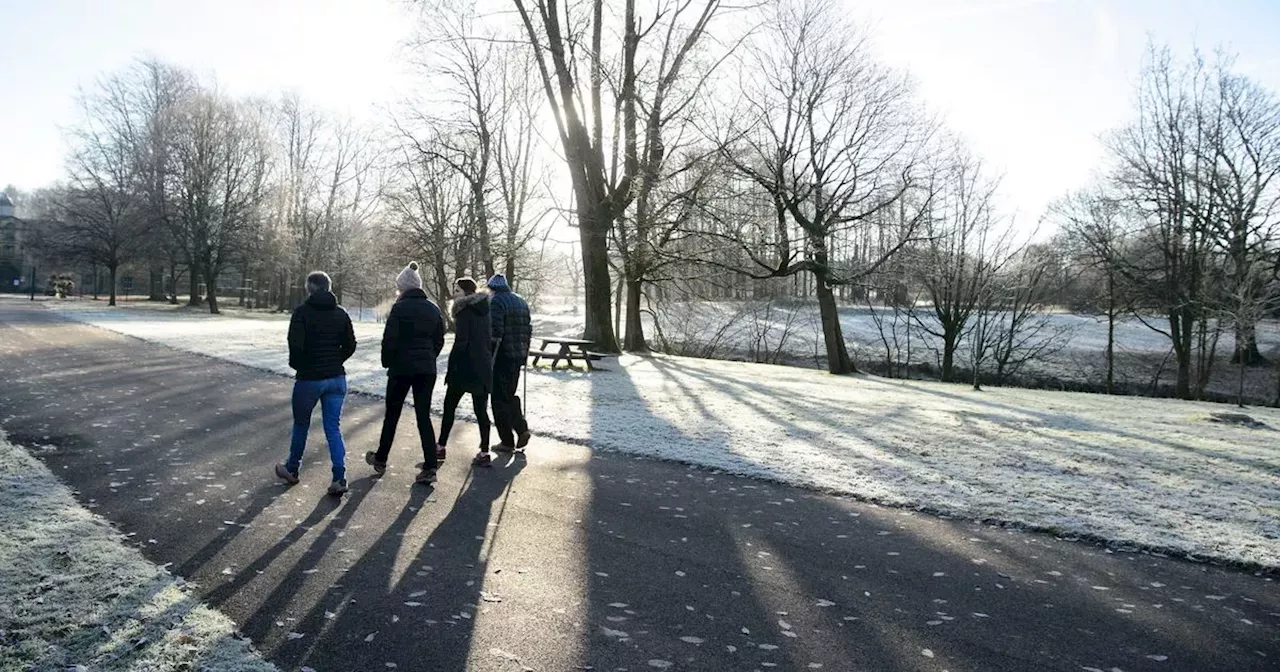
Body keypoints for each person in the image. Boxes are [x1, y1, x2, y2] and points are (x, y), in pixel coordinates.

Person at [277, 271, 357, 496]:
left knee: (302, 424)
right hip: (336, 378)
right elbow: (350, 344)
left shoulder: (302, 313)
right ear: (329, 287)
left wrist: (302, 366)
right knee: (333, 427)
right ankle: (339, 476)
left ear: (310, 287)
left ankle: (292, 469)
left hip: (309, 379)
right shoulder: (341, 313)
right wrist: (335, 360)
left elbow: (295, 346)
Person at [365, 262, 446, 484]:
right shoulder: (433, 309)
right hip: (426, 369)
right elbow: (439, 339)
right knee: (423, 416)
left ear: (403, 287)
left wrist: (387, 362)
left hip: (401, 367)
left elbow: (389, 340)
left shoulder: (399, 309)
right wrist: (430, 356)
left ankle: (381, 458)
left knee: (392, 414)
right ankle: (430, 466)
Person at [436, 277, 495, 467]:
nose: (454, 294)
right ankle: (485, 451)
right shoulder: (485, 310)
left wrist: (452, 366)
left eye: (457, 290)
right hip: (483, 364)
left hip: (464, 365)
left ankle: (440, 446)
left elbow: (461, 341)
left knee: (450, 406)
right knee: (481, 410)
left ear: (466, 292)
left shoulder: (463, 311)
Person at [486, 273, 532, 454]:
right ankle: (521, 429)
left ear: (492, 288)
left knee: (498, 399)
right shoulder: (520, 301)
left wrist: (489, 357)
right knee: (509, 394)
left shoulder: (497, 302)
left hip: (502, 357)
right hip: (518, 356)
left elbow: (496, 333)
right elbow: (528, 329)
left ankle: (507, 440)